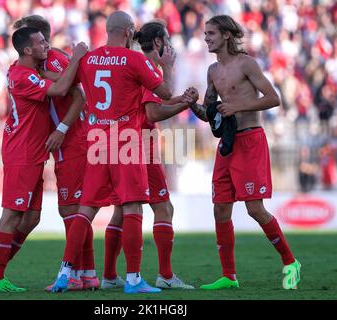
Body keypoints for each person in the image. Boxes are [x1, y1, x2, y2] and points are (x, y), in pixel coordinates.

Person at [48, 11, 175, 294]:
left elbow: (63, 86)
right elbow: (164, 94)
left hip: (97, 140)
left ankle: (65, 273)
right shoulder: (134, 59)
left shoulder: (89, 59)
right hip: (126, 140)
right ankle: (133, 280)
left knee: (86, 209)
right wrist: (165, 66)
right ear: (129, 31)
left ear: (108, 30)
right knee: (131, 207)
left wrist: (72, 59)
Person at [188, 15, 301, 290]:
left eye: (211, 33)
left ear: (226, 35)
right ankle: (229, 276)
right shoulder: (212, 72)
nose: (206, 38)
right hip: (227, 144)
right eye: (205, 34)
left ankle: (291, 262)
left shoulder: (246, 63)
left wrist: (237, 106)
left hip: (251, 140)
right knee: (220, 209)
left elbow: (274, 98)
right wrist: (192, 105)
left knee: (254, 209)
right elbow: (210, 114)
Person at [0, 27, 88, 292]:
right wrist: (75, 58)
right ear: (27, 50)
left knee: (31, 219)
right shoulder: (21, 76)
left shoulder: (24, 70)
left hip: (33, 151)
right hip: (22, 152)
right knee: (12, 214)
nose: (47, 45)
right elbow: (63, 89)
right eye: (41, 42)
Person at [101, 21, 196, 290]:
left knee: (121, 209)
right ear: (158, 43)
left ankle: (109, 276)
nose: (171, 44)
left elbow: (152, 104)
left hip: (122, 139)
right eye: (167, 38)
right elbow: (152, 113)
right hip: (141, 141)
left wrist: (179, 99)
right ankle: (164, 275)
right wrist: (183, 104)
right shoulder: (148, 67)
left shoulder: (134, 64)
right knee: (162, 206)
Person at [13, 15, 98, 292]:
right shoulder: (43, 66)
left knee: (71, 209)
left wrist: (61, 128)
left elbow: (78, 95)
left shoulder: (54, 61)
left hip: (73, 141)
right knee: (74, 209)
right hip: (69, 143)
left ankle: (73, 274)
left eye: (32, 38)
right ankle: (88, 273)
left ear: (40, 40)